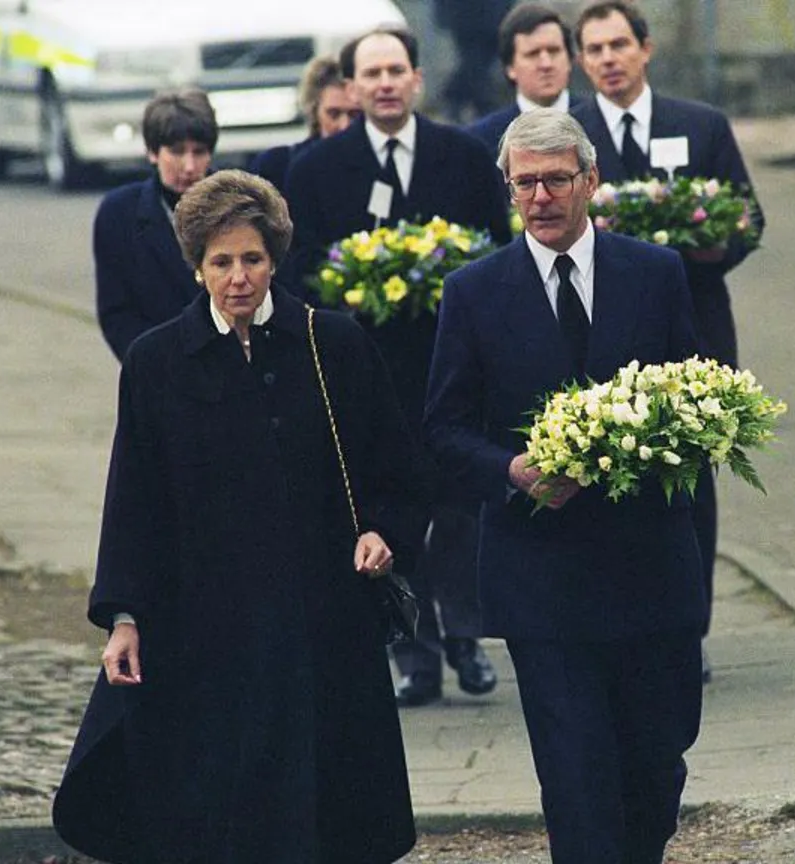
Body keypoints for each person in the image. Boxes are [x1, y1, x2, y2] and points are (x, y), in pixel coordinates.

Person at [53, 170, 424, 864]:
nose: (238, 278)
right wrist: (124, 617)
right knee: (223, 811)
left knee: (328, 811)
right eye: (220, 262)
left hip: (323, 623)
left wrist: (383, 533)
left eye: (252, 259)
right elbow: (135, 500)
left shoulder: (333, 345)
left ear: (276, 260)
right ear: (196, 266)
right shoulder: (157, 360)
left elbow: (396, 472)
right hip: (208, 630)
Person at [424, 108, 705, 864]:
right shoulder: (474, 292)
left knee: (654, 764)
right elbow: (444, 431)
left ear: (591, 181)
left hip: (650, 570)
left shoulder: (656, 274)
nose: (541, 197)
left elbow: (698, 411)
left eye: (555, 180)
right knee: (577, 778)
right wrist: (511, 471)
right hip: (542, 579)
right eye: (525, 184)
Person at [286, 27, 513, 708]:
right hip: (367, 369)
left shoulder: (464, 157)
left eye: (396, 70)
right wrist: (357, 288)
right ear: (350, 87)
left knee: (463, 501)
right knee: (392, 510)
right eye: (370, 73)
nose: (384, 83)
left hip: (452, 363)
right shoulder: (318, 171)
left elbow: (496, 253)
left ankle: (466, 634)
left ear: (417, 78)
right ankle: (414, 650)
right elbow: (301, 271)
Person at [570, 0, 763, 681]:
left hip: (693, 329)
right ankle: (617, 624)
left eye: (619, 44)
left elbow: (748, 219)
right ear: (581, 61)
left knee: (690, 486)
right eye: (594, 50)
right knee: (608, 478)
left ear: (645, 49)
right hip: (598, 336)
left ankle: (687, 630)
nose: (609, 60)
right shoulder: (571, 134)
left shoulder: (699, 126)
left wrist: (712, 248)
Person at [94, 87, 217, 360]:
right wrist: (153, 367)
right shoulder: (119, 214)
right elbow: (116, 313)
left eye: (199, 152)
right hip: (159, 370)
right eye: (176, 151)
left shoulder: (238, 206)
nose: (189, 166)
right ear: (152, 152)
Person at [466, 2, 574, 160]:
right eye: (533, 54)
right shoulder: (479, 141)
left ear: (570, 60)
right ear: (510, 68)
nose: (546, 64)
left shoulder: (603, 123)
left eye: (554, 51)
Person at [248, 55, 361, 197]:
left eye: (355, 115)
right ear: (314, 112)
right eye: (333, 114)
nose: (344, 126)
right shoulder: (276, 168)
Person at [432, 0, 513, 123]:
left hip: (495, 13)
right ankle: (479, 103)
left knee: (481, 59)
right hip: (465, 14)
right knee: (474, 60)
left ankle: (455, 95)